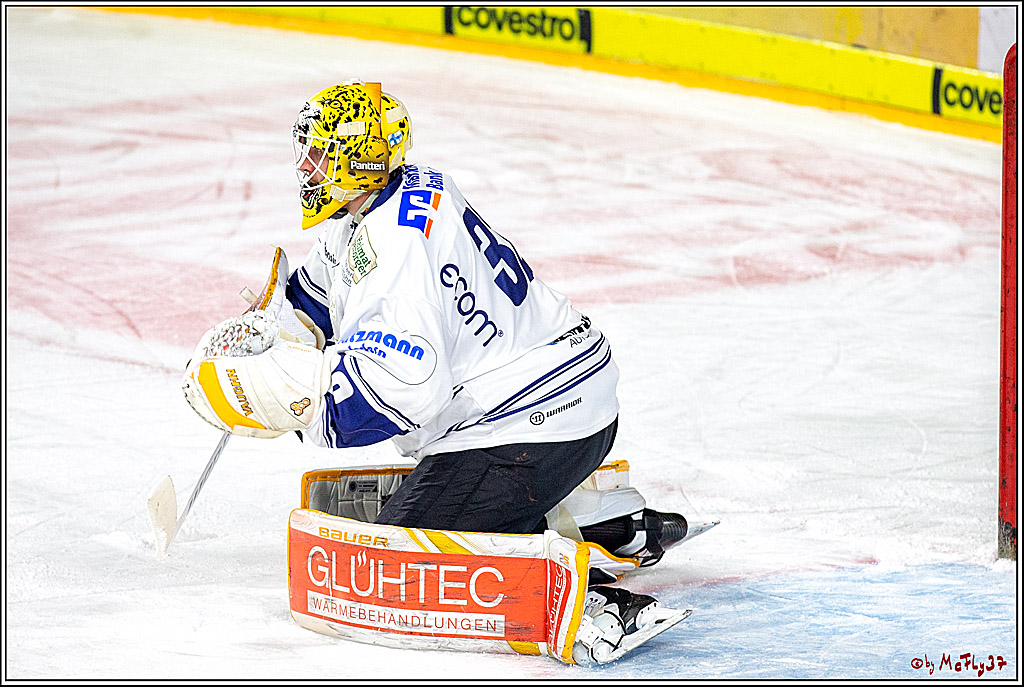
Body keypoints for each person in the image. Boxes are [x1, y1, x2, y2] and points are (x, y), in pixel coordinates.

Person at [182, 82, 690, 660]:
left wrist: (286, 403)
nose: (304, 165)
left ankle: (594, 607)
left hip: (530, 430)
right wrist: (282, 326)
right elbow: (328, 287)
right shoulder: (398, 193)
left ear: (359, 161)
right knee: (422, 524)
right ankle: (609, 523)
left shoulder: (393, 248)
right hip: (565, 403)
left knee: (390, 569)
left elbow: (402, 391)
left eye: (318, 152)